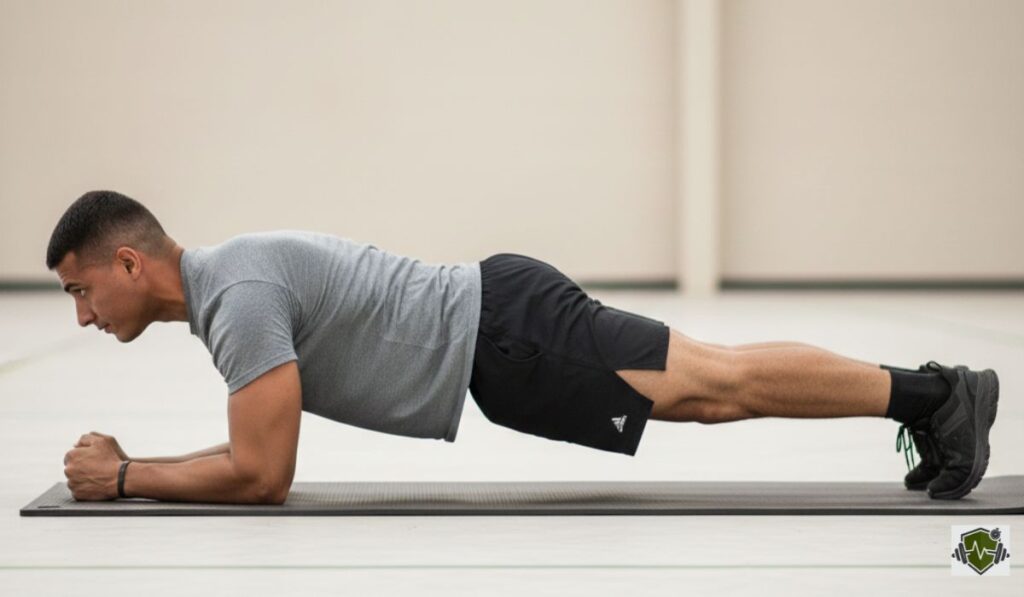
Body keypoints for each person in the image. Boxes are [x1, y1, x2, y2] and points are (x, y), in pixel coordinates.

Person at [51, 190, 999, 505]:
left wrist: (126, 475)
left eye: (82, 290)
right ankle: (932, 398)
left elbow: (264, 474)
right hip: (504, 343)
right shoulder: (231, 288)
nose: (84, 315)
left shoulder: (238, 296)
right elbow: (261, 464)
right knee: (717, 387)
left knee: (718, 384)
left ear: (129, 263)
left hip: (511, 335)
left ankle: (938, 396)